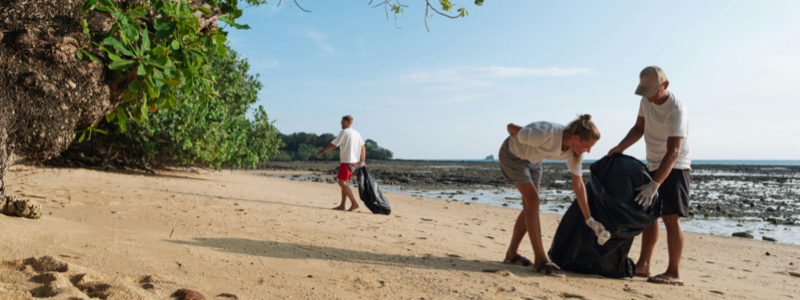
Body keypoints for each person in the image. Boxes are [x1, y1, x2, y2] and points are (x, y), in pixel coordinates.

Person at [607, 66, 691, 285]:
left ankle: (673, 272)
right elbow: (638, 128)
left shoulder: (676, 110)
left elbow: (673, 152)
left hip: (676, 167)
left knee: (670, 218)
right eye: (645, 91)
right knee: (649, 215)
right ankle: (644, 265)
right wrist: (621, 147)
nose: (649, 96)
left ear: (666, 85)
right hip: (652, 163)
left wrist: (654, 184)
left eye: (653, 91)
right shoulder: (646, 99)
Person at [500, 115, 607, 277]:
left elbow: (578, 184)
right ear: (576, 138)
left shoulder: (574, 153)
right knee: (533, 201)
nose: (589, 151)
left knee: (531, 204)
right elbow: (510, 127)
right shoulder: (546, 133)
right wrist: (527, 132)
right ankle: (541, 259)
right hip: (513, 155)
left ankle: (511, 254)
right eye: (587, 146)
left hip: (534, 160)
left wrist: (589, 220)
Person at [317, 115, 366, 211]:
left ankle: (354, 203)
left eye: (342, 121)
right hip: (353, 162)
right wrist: (362, 161)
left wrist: (322, 152)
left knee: (341, 182)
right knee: (344, 182)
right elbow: (363, 147)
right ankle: (342, 205)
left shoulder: (344, 132)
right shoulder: (357, 133)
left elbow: (334, 145)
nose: (341, 123)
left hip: (347, 161)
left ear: (346, 122)